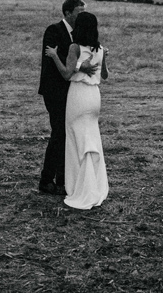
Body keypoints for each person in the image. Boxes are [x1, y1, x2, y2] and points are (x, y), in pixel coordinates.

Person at [45, 12, 109, 209]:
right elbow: (104, 76)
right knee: (92, 139)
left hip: (79, 96)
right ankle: (95, 184)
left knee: (75, 141)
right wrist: (103, 59)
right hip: (94, 97)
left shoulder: (74, 47)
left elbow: (66, 74)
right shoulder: (100, 49)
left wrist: (55, 56)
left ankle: (80, 187)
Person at [37, 0, 95, 195]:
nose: (82, 15)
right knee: (59, 133)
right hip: (54, 90)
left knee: (67, 135)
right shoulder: (53, 31)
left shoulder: (79, 35)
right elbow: (54, 58)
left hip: (71, 92)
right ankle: (46, 179)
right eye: (79, 11)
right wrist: (79, 66)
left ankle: (63, 180)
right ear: (68, 13)